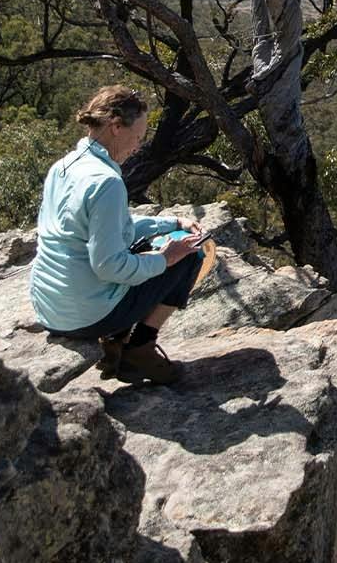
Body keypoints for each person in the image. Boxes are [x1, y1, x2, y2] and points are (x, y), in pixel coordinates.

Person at [29, 85, 209, 384]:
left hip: (49, 309)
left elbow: (112, 225)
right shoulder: (106, 182)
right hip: (86, 317)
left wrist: (171, 222)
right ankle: (140, 347)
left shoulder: (63, 167)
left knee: (159, 247)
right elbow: (110, 266)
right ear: (115, 127)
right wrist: (166, 258)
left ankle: (116, 340)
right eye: (137, 137)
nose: (138, 146)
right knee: (191, 256)